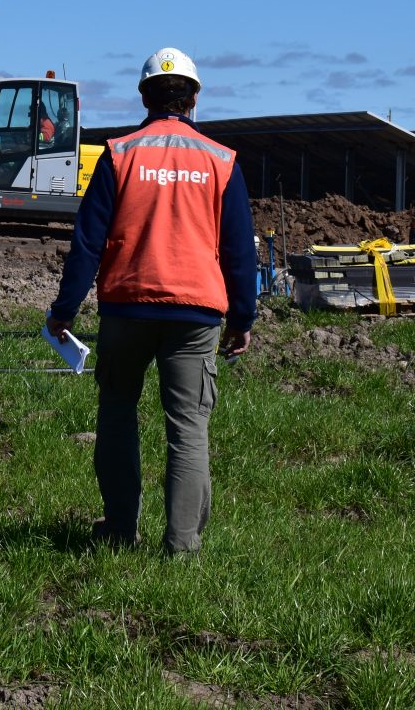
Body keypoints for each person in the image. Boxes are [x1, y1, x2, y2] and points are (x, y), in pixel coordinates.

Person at [46, 47, 255, 556]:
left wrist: (64, 311)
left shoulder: (119, 154)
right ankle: (182, 547)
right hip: (197, 314)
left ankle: (119, 531)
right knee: (188, 429)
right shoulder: (221, 161)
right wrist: (242, 318)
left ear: (144, 95)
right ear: (195, 97)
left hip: (127, 306)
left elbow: (88, 243)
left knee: (117, 414)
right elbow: (239, 252)